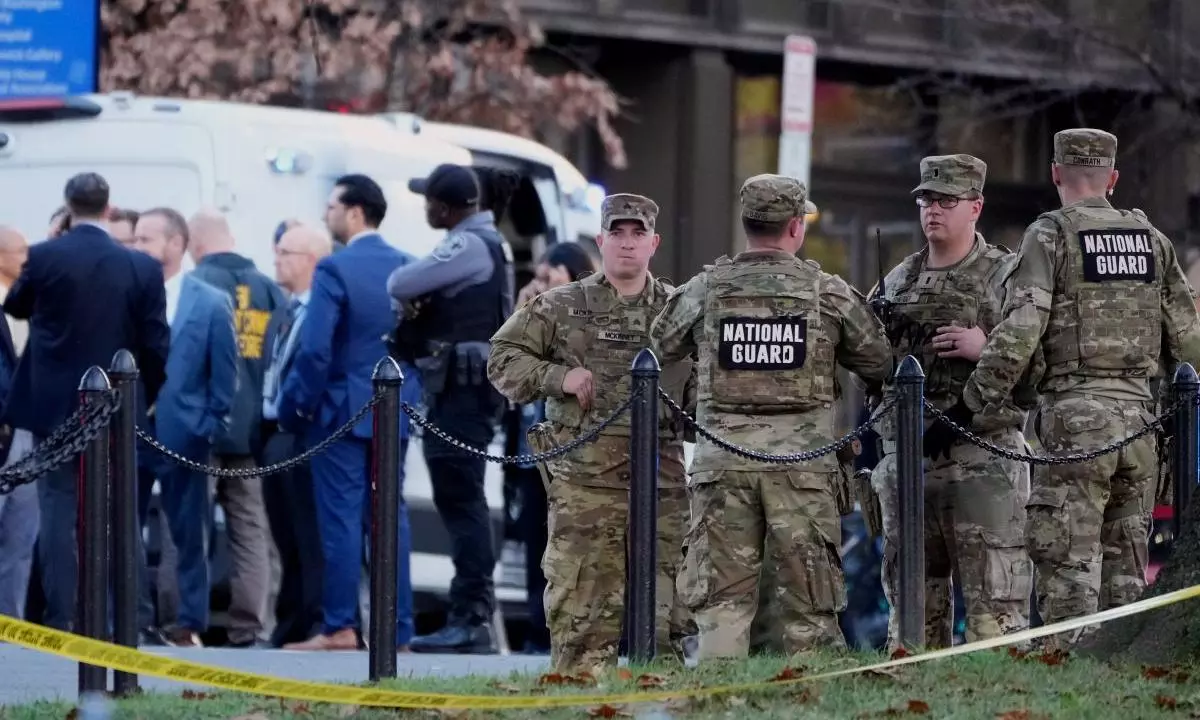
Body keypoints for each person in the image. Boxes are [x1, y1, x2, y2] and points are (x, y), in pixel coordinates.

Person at [942, 129, 1200, 648]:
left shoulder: (1050, 234)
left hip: (1076, 426)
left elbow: (1021, 329)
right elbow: (1189, 347)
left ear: (1056, 173)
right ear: (1113, 178)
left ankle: (1064, 687)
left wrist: (972, 403)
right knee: (1127, 582)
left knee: (1067, 581)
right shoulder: (1152, 241)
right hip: (1141, 429)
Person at [650, 174, 893, 660]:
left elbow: (658, 344)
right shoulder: (828, 293)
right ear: (795, 227)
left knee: (721, 608)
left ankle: (716, 709)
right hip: (802, 474)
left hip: (723, 466)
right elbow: (881, 361)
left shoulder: (706, 289)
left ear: (746, 225)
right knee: (808, 612)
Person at [489, 192, 695, 673]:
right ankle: (578, 691)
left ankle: (658, 697)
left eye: (637, 234)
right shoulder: (560, 306)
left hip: (662, 482)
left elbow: (709, 378)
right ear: (600, 240)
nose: (627, 244)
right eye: (617, 234)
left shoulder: (680, 311)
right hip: (586, 484)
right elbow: (502, 359)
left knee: (666, 608)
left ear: (654, 242)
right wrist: (558, 378)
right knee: (582, 611)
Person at [864, 154, 1035, 651]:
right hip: (911, 464)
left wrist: (987, 347)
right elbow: (870, 371)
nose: (933, 210)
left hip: (983, 461)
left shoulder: (1006, 276)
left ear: (976, 206)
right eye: (926, 200)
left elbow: (1038, 362)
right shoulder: (898, 280)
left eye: (946, 201)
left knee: (996, 616)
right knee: (912, 613)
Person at [3, 173, 169, 632]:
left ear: (68, 205)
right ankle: (131, 619)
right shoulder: (141, 267)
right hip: (117, 408)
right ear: (109, 207)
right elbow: (156, 344)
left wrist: (51, 248)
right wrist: (142, 398)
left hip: (54, 409)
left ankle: (65, 618)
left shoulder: (45, 256)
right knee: (121, 513)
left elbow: (15, 306)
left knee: (58, 513)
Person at [280, 173, 416, 652]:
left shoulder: (334, 269)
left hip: (339, 413)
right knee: (390, 518)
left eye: (332, 206)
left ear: (355, 212)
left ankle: (340, 626)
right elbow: (419, 347)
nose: (326, 214)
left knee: (339, 520)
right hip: (394, 409)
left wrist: (293, 407)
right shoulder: (408, 265)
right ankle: (397, 630)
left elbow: (315, 351)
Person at [388, 163, 516, 654]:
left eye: (428, 200)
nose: (424, 208)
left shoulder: (468, 243)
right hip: (461, 391)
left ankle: (471, 618)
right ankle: (469, 616)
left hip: (462, 393)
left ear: (445, 206)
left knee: (462, 503)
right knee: (460, 500)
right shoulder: (485, 242)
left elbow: (400, 283)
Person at [132, 207, 239, 647]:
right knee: (124, 525)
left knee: (189, 530)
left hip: (184, 433)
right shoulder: (130, 295)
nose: (137, 247)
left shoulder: (210, 301)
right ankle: (132, 617)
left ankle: (190, 623)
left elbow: (224, 373)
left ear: (175, 244)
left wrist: (207, 423)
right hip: (132, 430)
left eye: (146, 239)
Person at [188, 207, 285, 647]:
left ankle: (183, 623)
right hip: (251, 432)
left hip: (201, 428)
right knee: (250, 528)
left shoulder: (196, 285)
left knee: (190, 525)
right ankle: (250, 625)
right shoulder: (267, 287)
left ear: (196, 244)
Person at [506, 241, 596, 654]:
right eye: (538, 277)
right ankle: (534, 627)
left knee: (573, 544)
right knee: (533, 541)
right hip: (531, 455)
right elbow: (511, 376)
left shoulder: (581, 314)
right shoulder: (535, 316)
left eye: (549, 276)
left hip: (572, 452)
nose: (539, 284)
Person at [260, 223, 333, 647]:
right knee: (283, 535)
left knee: (308, 534)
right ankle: (288, 622)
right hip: (275, 433)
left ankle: (312, 617)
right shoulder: (284, 311)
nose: (277, 258)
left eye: (286, 252)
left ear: (311, 260)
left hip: (304, 434)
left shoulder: (319, 313)